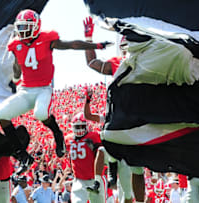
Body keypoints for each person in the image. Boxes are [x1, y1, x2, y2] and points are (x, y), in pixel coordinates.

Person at [0, 9, 111, 175]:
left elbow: (73, 45)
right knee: (1, 114)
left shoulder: (47, 39)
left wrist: (96, 45)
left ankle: (57, 134)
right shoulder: (16, 45)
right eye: (20, 28)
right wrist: (14, 57)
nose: (22, 31)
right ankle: (22, 156)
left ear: (35, 27)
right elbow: (17, 73)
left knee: (41, 113)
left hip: (43, 88)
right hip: (25, 89)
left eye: (25, 27)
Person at [83, 16, 145, 203]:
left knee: (137, 169)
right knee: (106, 143)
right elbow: (92, 63)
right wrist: (88, 40)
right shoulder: (118, 63)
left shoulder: (147, 62)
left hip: (138, 118)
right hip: (121, 117)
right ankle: (110, 172)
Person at [83, 89, 133, 203]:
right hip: (111, 153)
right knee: (101, 150)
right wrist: (87, 100)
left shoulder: (128, 118)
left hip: (125, 157)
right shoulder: (108, 117)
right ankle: (97, 182)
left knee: (127, 194)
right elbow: (88, 116)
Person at [65, 112, 106, 203]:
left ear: (87, 126)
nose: (79, 129)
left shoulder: (93, 136)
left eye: (82, 126)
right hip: (79, 180)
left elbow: (102, 154)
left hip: (95, 180)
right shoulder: (69, 139)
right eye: (77, 127)